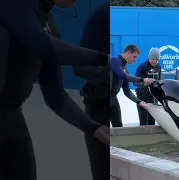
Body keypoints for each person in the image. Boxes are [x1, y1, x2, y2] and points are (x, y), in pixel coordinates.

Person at [0, 0, 110, 180]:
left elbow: (55, 94)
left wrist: (94, 128)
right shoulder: (13, 4)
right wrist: (103, 59)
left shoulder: (48, 22)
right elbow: (42, 45)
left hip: (12, 116)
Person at [71, 4, 109, 180]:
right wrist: (106, 72)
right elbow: (79, 67)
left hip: (121, 108)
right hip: (100, 106)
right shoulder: (103, 14)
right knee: (102, 171)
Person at [134, 48, 162, 126]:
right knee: (143, 121)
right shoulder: (142, 66)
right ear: (149, 58)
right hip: (143, 96)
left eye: (157, 59)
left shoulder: (158, 67)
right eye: (153, 59)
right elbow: (135, 82)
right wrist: (144, 84)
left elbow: (159, 80)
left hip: (153, 97)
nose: (155, 61)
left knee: (152, 121)